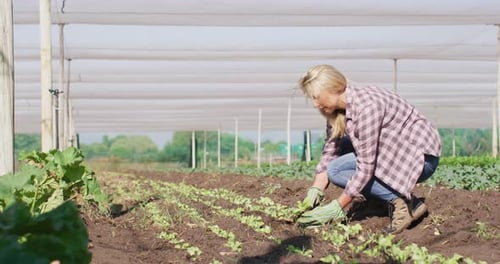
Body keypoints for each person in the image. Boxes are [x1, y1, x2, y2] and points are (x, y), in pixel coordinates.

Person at [295, 64, 441, 234]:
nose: (315, 104)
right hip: (397, 153)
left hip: (419, 158)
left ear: (334, 88)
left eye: (316, 97)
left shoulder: (366, 107)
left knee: (336, 170)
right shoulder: (338, 111)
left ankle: (407, 203)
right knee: (342, 148)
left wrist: (337, 207)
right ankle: (381, 196)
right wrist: (315, 190)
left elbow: (366, 166)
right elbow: (330, 151)